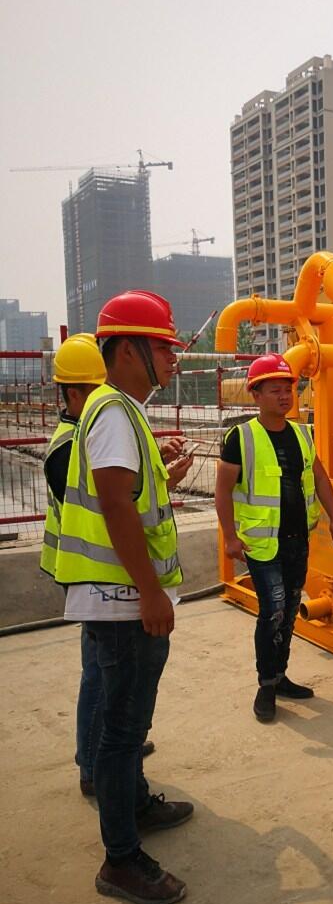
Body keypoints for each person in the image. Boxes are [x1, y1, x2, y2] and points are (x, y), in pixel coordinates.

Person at [55, 290, 195, 904]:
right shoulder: (114, 412)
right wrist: (149, 594)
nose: (172, 357)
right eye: (164, 345)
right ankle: (120, 860)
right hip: (121, 600)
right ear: (129, 350)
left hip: (122, 597)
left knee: (130, 719)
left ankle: (134, 804)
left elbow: (128, 491)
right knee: (119, 731)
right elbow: (114, 504)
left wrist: (160, 470)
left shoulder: (121, 411)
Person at [40, 334, 158, 794]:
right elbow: (108, 507)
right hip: (90, 572)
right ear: (73, 395)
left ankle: (106, 750)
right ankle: (94, 764)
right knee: (98, 674)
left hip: (99, 570)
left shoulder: (86, 432)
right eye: (95, 390)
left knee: (103, 673)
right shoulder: (68, 446)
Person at [215, 353, 333, 723]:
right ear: (256, 395)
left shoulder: (302, 434)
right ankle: (266, 685)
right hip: (260, 543)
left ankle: (280, 675)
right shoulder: (240, 437)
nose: (285, 396)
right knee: (271, 611)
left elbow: (319, 477)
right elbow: (222, 491)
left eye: (288, 389)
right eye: (275, 390)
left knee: (288, 611)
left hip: (295, 541)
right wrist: (230, 538)